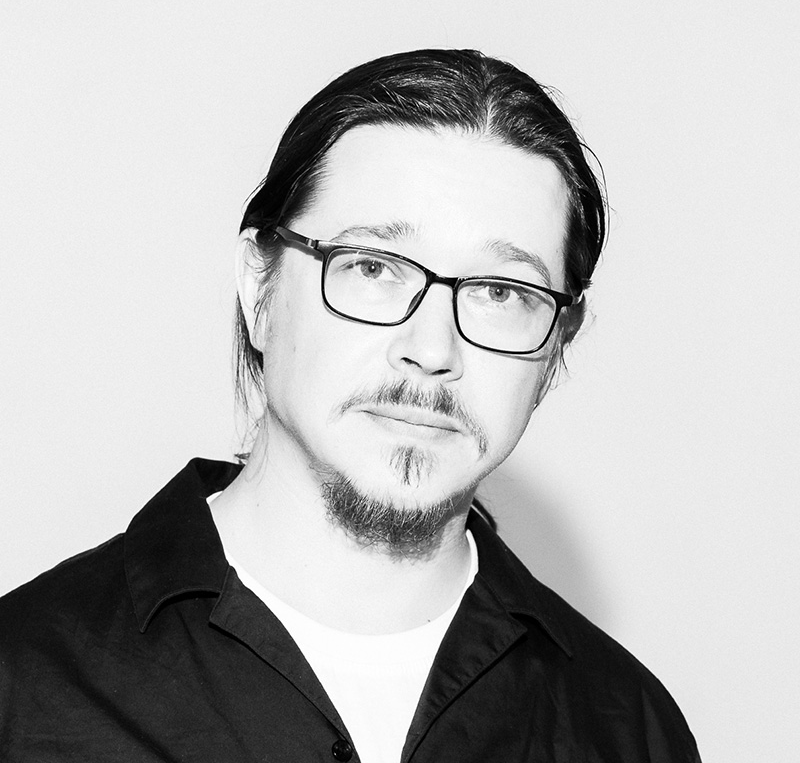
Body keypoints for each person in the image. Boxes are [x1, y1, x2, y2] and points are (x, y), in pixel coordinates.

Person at [0, 49, 700, 762]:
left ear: (556, 348)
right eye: (373, 266)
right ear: (260, 288)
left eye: (500, 292)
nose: (432, 348)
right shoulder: (23, 690)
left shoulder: (629, 731)